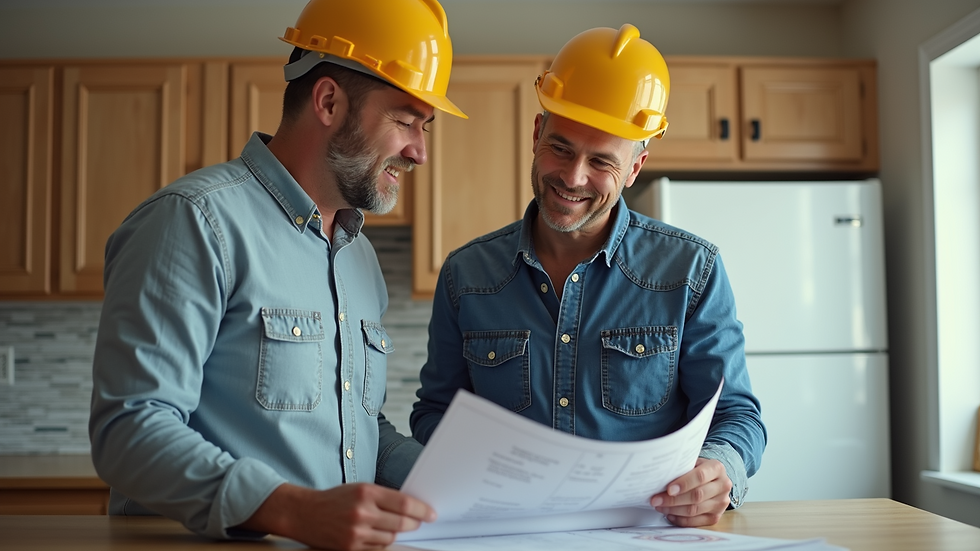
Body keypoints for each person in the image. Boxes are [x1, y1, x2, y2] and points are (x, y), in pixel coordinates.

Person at [88, 1, 466, 549]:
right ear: (329, 101)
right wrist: (293, 512)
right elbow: (130, 430)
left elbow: (358, 434)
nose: (419, 151)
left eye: (425, 126)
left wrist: (458, 488)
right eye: (406, 120)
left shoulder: (359, 257)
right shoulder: (193, 222)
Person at [410, 24, 766, 528]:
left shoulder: (691, 270)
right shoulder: (465, 275)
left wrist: (717, 471)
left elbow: (737, 416)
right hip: (505, 534)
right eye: (560, 147)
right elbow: (433, 413)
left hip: (647, 536)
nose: (573, 177)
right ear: (536, 134)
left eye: (601, 161)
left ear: (635, 167)